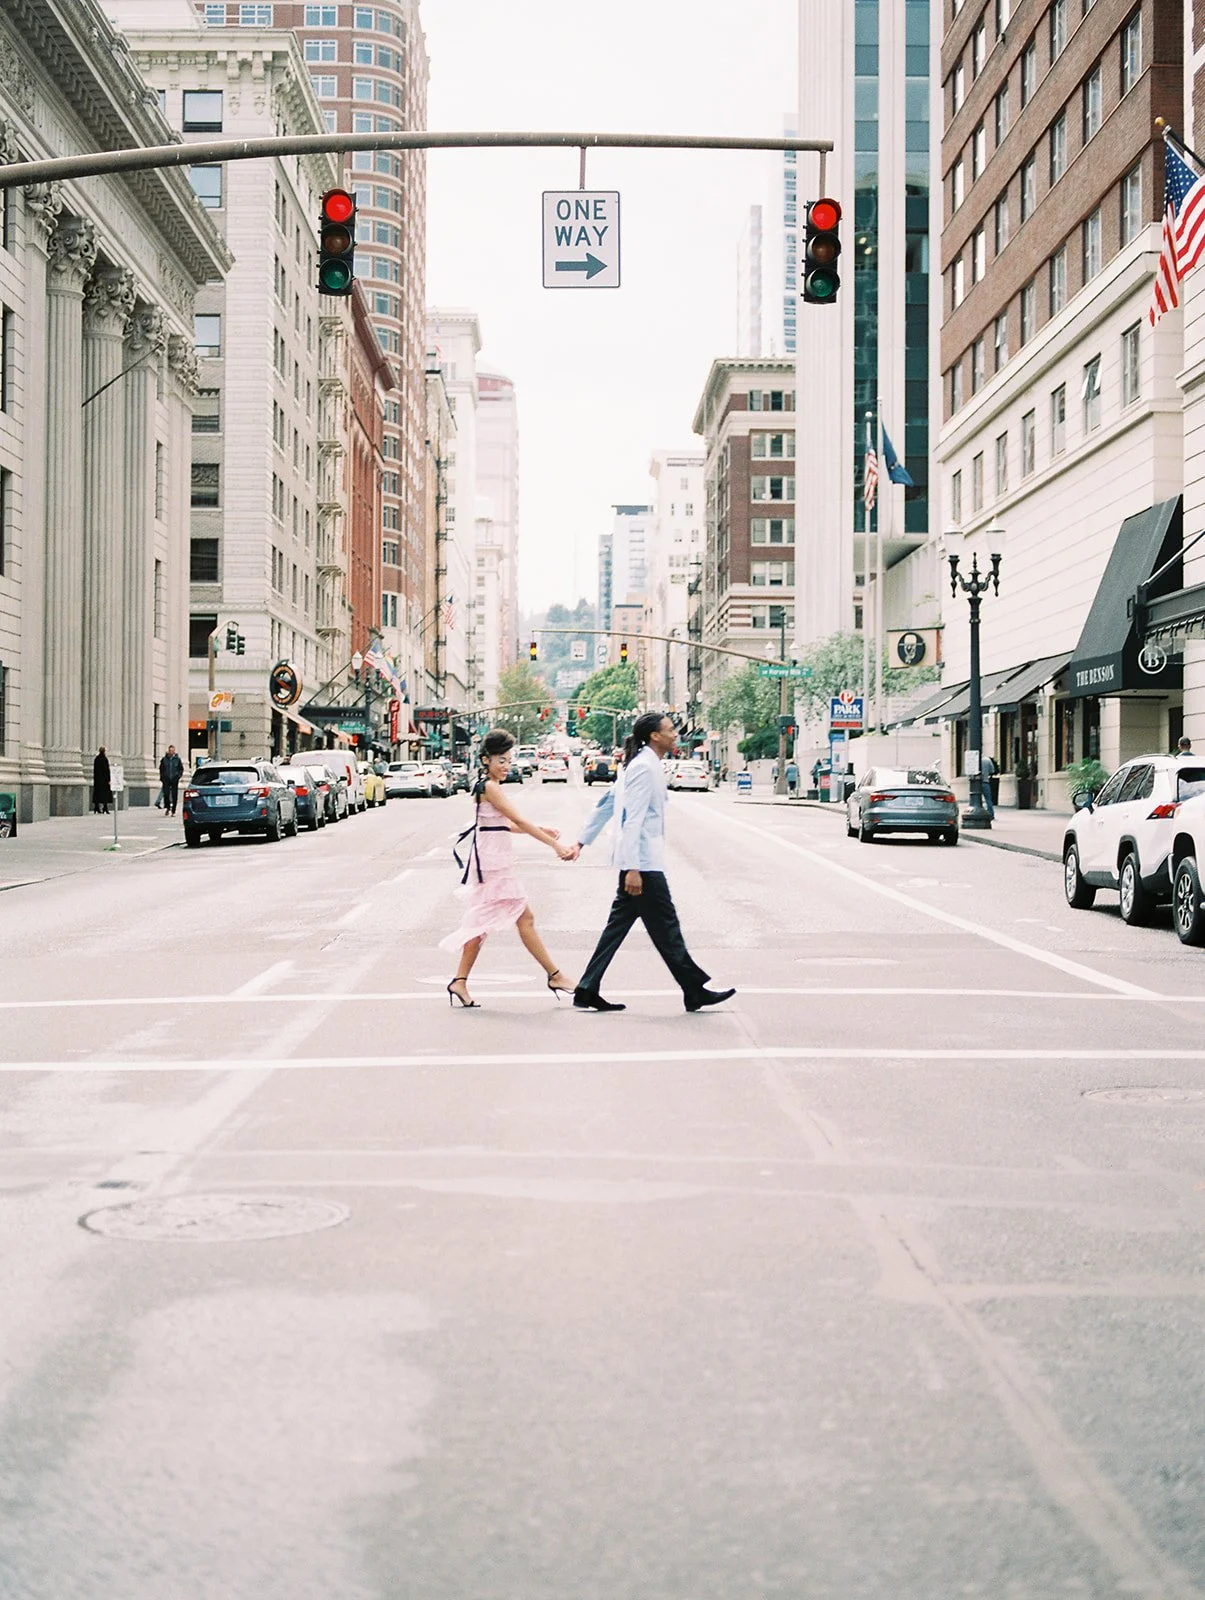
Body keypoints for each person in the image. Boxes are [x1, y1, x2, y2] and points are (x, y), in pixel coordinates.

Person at [568, 711, 735, 1014]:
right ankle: (693, 990)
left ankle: (587, 988)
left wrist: (582, 841)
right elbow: (633, 818)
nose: (675, 734)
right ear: (655, 736)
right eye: (670, 730)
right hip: (643, 865)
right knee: (666, 928)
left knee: (621, 928)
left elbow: (607, 803)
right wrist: (632, 867)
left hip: (640, 862)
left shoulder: (642, 764)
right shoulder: (645, 768)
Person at [442, 727, 576, 1008]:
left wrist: (539, 829)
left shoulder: (485, 786)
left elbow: (502, 824)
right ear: (485, 760)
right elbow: (519, 820)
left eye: (508, 760)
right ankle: (555, 975)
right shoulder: (490, 787)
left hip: (490, 858)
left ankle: (460, 982)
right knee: (524, 918)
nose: (506, 766)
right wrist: (555, 846)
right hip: (494, 863)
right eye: (500, 760)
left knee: (481, 924)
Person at [158, 745, 184, 817]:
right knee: (166, 794)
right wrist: (162, 777)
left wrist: (178, 776)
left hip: (174, 779)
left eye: (172, 751)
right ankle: (168, 807)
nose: (171, 752)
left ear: (174, 751)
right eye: (170, 751)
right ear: (168, 751)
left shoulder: (177, 759)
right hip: (166, 779)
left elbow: (181, 769)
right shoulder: (164, 759)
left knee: (174, 795)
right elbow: (161, 769)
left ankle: (173, 810)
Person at [92, 747, 113, 815]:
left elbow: (95, 770)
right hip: (104, 780)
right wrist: (109, 779)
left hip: (98, 780)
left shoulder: (97, 759)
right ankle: (105, 808)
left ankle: (96, 808)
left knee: (97, 794)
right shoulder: (104, 759)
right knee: (105, 795)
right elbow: (107, 771)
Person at [979, 751, 996, 820]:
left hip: (976, 784)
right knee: (988, 799)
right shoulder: (987, 760)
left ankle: (980, 812)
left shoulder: (975, 760)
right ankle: (991, 814)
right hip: (985, 782)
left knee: (976, 799)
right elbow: (992, 771)